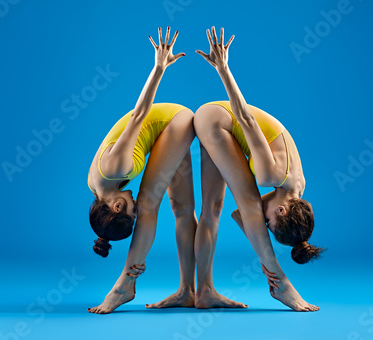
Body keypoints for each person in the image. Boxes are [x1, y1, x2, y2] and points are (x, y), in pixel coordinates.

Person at [192, 27, 322, 311]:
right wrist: (223, 68)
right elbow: (247, 119)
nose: (264, 220)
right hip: (216, 119)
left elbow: (240, 215)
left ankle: (204, 292)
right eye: (270, 222)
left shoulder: (296, 189)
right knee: (248, 205)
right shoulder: (272, 175)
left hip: (221, 127)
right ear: (282, 211)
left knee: (212, 209)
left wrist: (257, 231)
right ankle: (282, 286)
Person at [87, 27, 197, 314]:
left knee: (150, 205)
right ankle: (187, 290)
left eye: (126, 208)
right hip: (166, 131)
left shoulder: (114, 170)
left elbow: (138, 114)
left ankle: (125, 285)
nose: (132, 204)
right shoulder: (98, 189)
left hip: (175, 121)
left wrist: (159, 67)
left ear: (112, 205)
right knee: (183, 209)